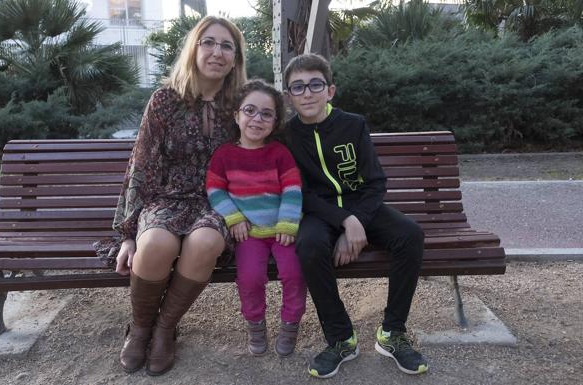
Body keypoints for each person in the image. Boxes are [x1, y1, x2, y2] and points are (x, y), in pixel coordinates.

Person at [94, 16, 247, 376]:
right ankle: (140, 328)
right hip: (165, 198)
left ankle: (165, 329)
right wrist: (129, 234)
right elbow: (141, 165)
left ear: (236, 58)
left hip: (216, 201)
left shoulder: (242, 104)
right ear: (194, 48)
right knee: (156, 246)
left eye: (227, 46)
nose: (217, 52)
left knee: (206, 242)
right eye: (208, 42)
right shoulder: (165, 100)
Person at [283, 53, 429, 378]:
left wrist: (358, 219)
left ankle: (392, 333)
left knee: (410, 234)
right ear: (288, 96)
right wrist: (343, 221)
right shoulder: (287, 136)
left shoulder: (353, 124)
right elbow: (301, 193)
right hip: (319, 212)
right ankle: (340, 339)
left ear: (330, 91)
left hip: (363, 206)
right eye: (298, 87)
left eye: (315, 84)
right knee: (308, 245)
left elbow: (376, 182)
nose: (307, 93)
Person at [205, 79, 307, 357]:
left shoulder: (279, 153)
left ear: (275, 122)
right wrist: (234, 218)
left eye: (266, 114)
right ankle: (255, 326)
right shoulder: (224, 155)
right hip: (248, 233)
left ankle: (289, 325)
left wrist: (288, 222)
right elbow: (215, 190)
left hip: (282, 230)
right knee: (250, 278)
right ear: (236, 115)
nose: (257, 119)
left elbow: (292, 188)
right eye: (249, 110)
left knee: (295, 274)